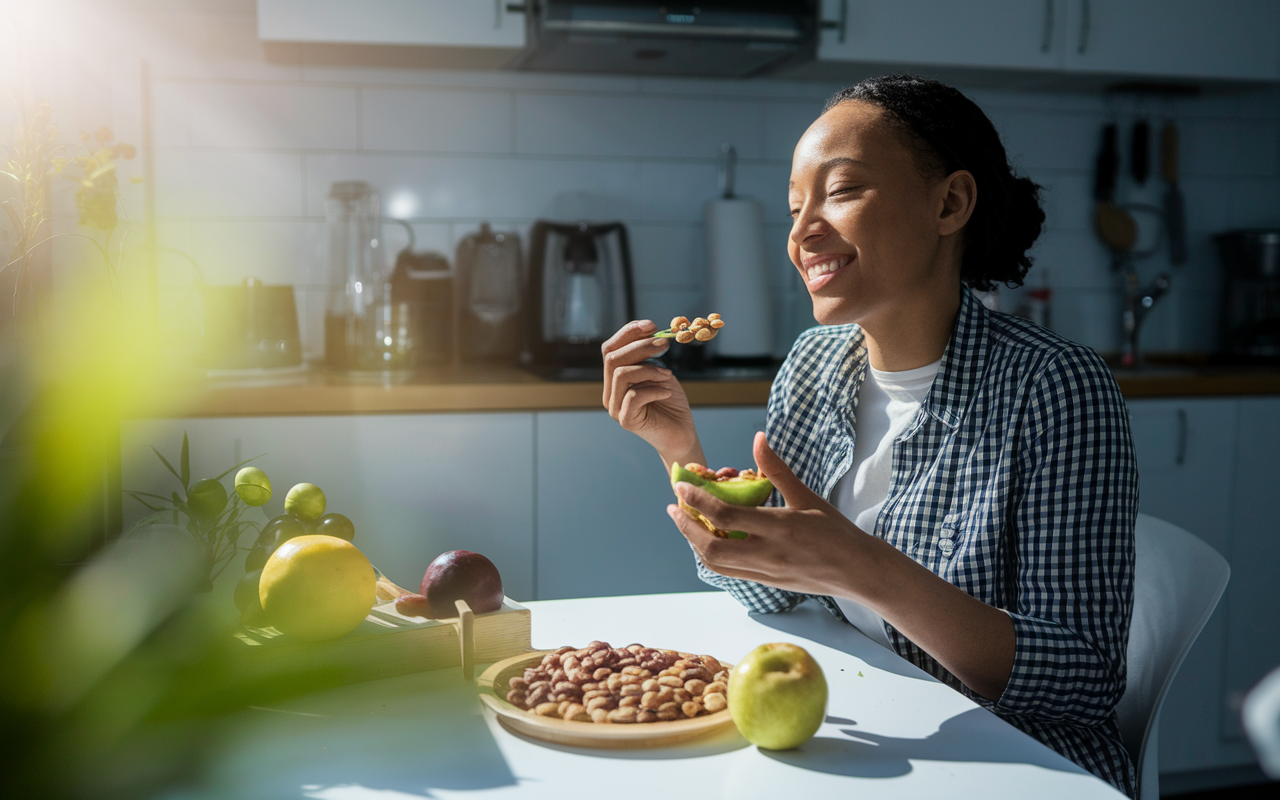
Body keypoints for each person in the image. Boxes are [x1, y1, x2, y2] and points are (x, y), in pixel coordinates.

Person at [600, 74, 1137, 797]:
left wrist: (858, 566)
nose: (802, 231)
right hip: (872, 732)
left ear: (950, 203)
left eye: (841, 191)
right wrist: (683, 457)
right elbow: (775, 597)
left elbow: (1083, 682)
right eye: (795, 206)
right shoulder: (813, 364)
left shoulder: (1053, 387)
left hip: (1019, 768)